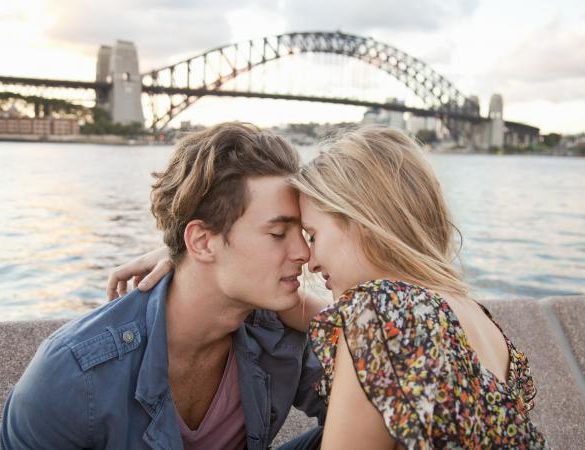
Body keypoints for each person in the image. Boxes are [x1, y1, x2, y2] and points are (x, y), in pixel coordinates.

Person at [119, 125, 549, 449]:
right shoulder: (465, 312)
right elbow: (313, 311)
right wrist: (194, 257)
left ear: (362, 225)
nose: (310, 257)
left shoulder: (379, 312)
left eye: (312, 234)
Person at [1, 123, 326, 450]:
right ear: (201, 242)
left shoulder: (277, 330)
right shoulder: (73, 376)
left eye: (306, 234)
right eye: (278, 234)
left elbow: (376, 391)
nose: (304, 253)